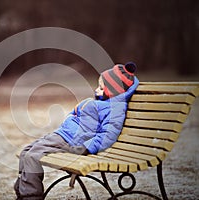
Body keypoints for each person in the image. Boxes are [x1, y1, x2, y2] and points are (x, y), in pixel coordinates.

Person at [14, 62, 139, 200]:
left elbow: (108, 135)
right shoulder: (104, 104)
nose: (96, 90)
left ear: (112, 90)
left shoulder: (114, 109)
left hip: (73, 141)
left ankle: (31, 196)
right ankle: (23, 191)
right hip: (64, 135)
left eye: (101, 87)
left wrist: (86, 147)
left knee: (32, 156)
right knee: (26, 152)